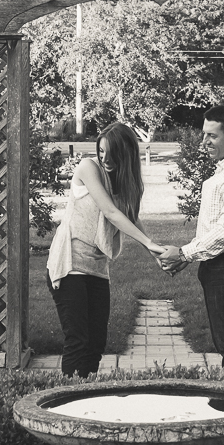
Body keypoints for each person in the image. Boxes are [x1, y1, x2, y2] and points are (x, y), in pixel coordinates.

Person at [47, 121, 165, 376]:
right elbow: (111, 212)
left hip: (97, 268)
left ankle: (87, 394)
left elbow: (130, 216)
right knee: (77, 341)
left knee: (96, 343)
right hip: (70, 264)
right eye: (101, 151)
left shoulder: (123, 182)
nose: (105, 158)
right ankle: (69, 404)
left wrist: (154, 252)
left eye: (111, 153)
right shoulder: (88, 167)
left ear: (125, 153)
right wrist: (149, 243)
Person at [156, 105, 224, 372]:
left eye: (212, 136)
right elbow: (217, 226)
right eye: (204, 134)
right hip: (220, 264)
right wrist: (189, 257)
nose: (204, 142)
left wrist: (184, 254)